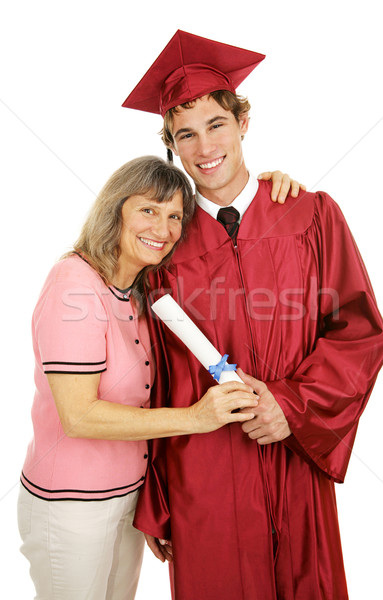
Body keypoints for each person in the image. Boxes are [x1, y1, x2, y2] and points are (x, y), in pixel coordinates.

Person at [122, 31, 383, 599]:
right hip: (205, 476)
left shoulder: (310, 216)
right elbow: (152, 377)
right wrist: (159, 495)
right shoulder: (163, 245)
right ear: (172, 145)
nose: (203, 147)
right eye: (184, 135)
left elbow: (359, 332)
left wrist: (291, 407)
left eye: (216, 124)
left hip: (293, 456)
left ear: (243, 121)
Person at [18, 155, 275, 600]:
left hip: (125, 502)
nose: (163, 228)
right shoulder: (73, 284)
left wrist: (267, 193)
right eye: (149, 210)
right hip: (72, 510)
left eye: (175, 216)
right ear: (115, 209)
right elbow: (80, 417)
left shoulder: (139, 294)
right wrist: (197, 417)